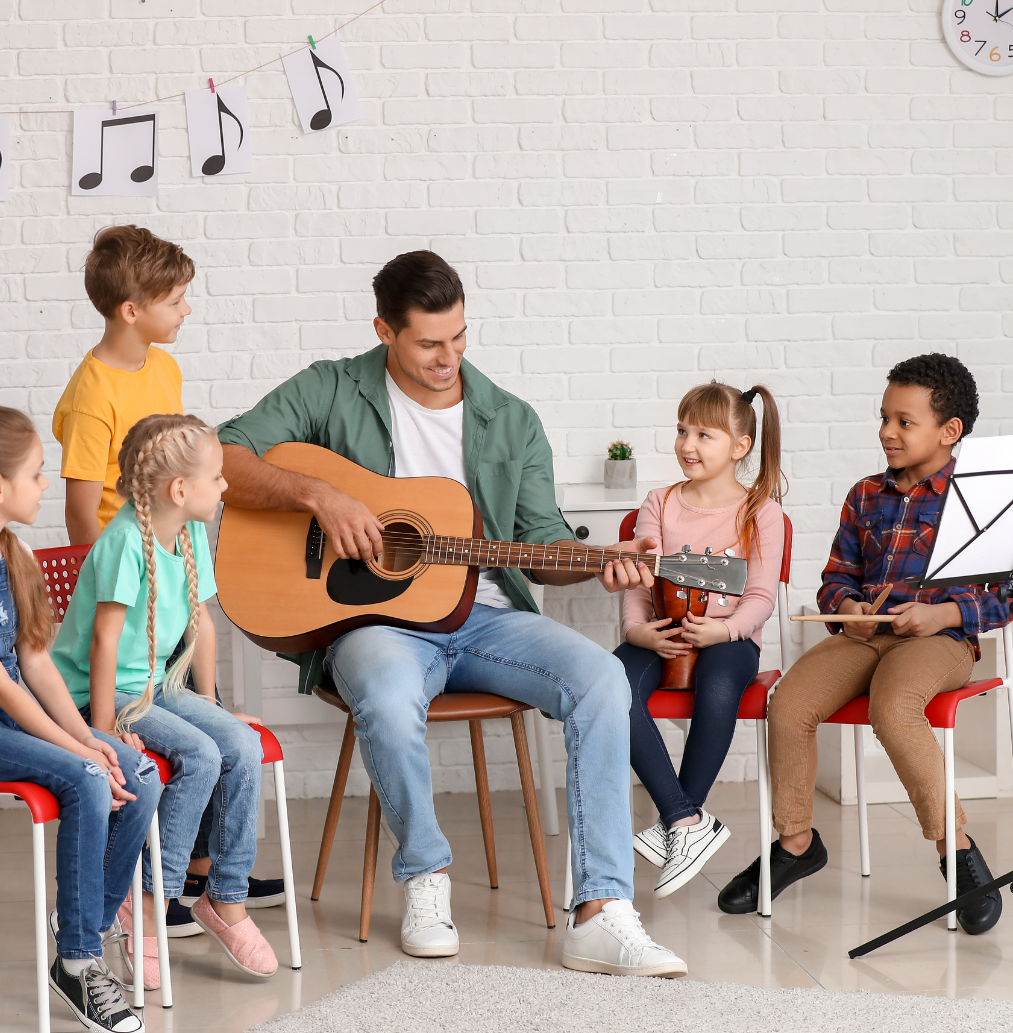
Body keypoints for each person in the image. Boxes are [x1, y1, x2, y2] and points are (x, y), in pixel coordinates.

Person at [217, 250, 687, 978]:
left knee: (600, 678)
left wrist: (603, 560)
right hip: (375, 627)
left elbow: (537, 545)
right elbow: (220, 457)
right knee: (384, 689)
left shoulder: (509, 419)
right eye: (429, 343)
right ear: (384, 331)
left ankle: (600, 910)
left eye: (460, 338)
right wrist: (320, 496)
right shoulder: (330, 389)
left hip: (489, 619)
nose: (449, 357)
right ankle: (426, 877)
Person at [718, 354, 1009, 934]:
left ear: (949, 432)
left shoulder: (981, 496)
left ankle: (957, 848)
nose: (887, 432)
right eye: (884, 418)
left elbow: (1007, 594)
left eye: (905, 421)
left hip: (941, 638)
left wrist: (945, 612)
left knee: (894, 706)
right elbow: (836, 579)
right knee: (791, 703)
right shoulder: (865, 494)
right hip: (867, 636)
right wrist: (845, 610)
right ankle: (797, 842)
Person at [0, 405, 160, 1033]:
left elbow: (35, 661)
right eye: (36, 474)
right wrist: (82, 751)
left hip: (4, 717)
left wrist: (91, 735)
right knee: (88, 776)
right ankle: (81, 961)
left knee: (136, 769)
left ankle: (80, 923)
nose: (45, 485)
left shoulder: (13, 550)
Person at [52, 414, 277, 987]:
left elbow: (201, 619)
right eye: (219, 478)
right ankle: (149, 902)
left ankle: (224, 898)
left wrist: (214, 704)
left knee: (239, 743)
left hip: (159, 686)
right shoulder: (124, 540)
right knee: (201, 756)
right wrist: (101, 732)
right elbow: (104, 643)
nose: (225, 486)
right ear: (181, 489)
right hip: (101, 696)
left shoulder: (191, 532)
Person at [616, 382, 785, 897]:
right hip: (658, 631)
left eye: (704, 435)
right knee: (608, 690)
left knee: (717, 689)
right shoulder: (659, 503)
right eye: (682, 431)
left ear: (741, 445)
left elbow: (759, 597)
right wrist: (636, 631)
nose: (688, 444)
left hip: (729, 638)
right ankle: (686, 822)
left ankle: (677, 820)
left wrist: (725, 629)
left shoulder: (762, 512)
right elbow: (640, 580)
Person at [53, 224, 190, 546]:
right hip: (121, 556)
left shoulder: (165, 366)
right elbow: (80, 513)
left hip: (166, 546)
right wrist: (101, 583)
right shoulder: (90, 400)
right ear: (131, 311)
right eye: (174, 302)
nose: (186, 310)